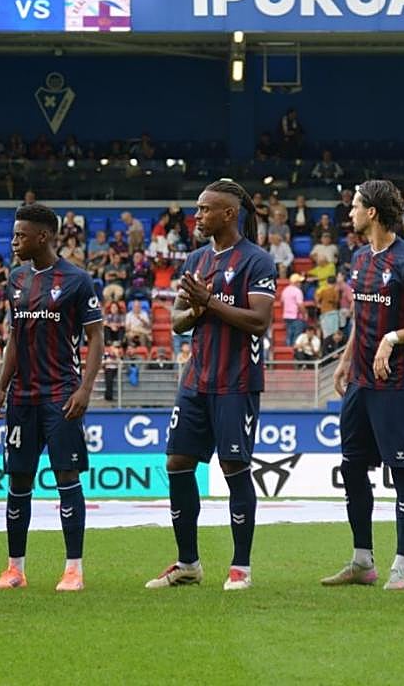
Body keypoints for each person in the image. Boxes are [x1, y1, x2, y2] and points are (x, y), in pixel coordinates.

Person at [146, 179, 277, 592]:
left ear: (228, 213)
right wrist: (200, 305)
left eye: (204, 209)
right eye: (197, 209)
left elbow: (259, 321)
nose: (197, 216)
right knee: (177, 463)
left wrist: (209, 302)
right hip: (196, 379)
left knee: (234, 467)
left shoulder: (257, 261)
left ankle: (241, 567)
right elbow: (180, 320)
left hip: (236, 382)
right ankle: (188, 563)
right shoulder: (197, 260)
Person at [322, 180, 404, 591]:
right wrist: (344, 360)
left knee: (402, 472)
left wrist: (393, 339)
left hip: (396, 384)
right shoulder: (358, 258)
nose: (350, 213)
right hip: (359, 381)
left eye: (355, 206)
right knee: (352, 468)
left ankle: (402, 566)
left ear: (372, 212)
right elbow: (361, 318)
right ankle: (362, 561)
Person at [0, 204, 103, 593]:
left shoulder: (77, 280)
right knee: (19, 480)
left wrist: (85, 389)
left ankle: (73, 570)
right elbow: (15, 338)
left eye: (20, 235)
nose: (13, 241)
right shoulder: (16, 279)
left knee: (66, 478)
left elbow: (96, 338)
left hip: (60, 395)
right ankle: (14, 569)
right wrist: (2, 386)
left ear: (43, 237)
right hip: (23, 397)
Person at [280, 273, 306, 346]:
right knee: (296, 337)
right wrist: (304, 314)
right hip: (296, 316)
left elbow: (281, 303)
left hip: (287, 316)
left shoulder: (285, 290)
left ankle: (288, 352)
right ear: (296, 282)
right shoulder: (297, 291)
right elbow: (300, 305)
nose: (300, 284)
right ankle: (294, 354)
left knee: (289, 335)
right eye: (299, 282)